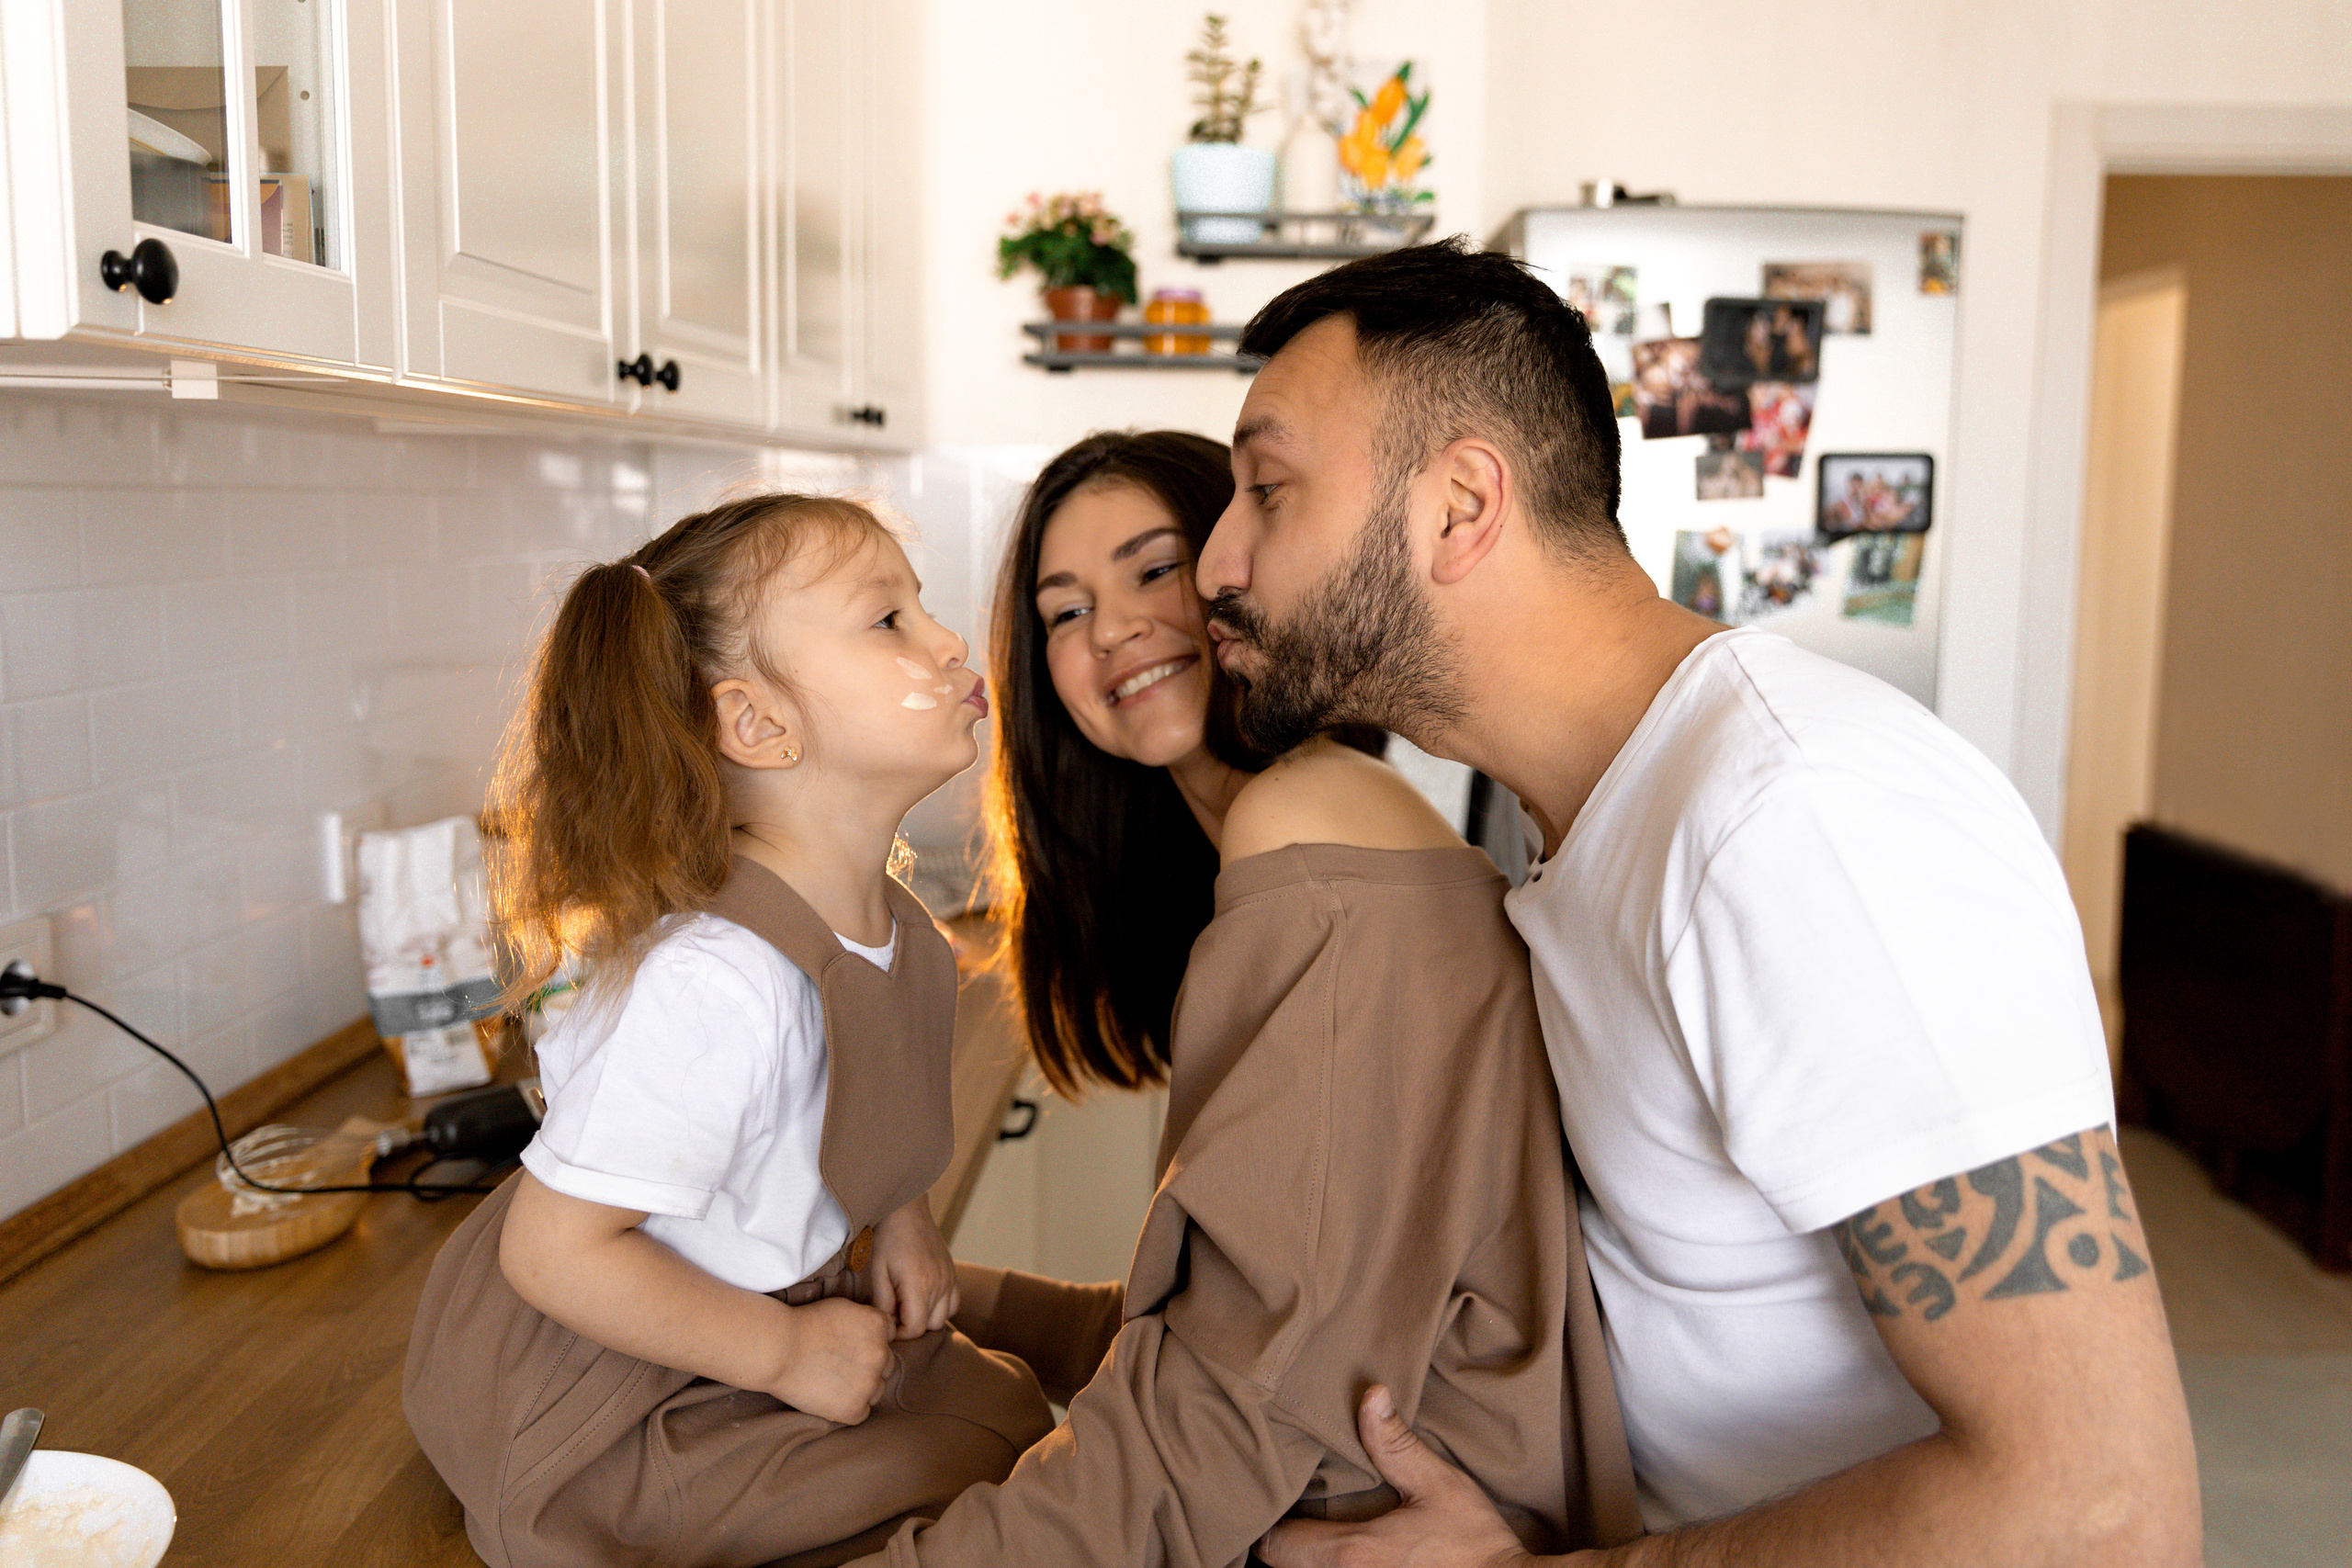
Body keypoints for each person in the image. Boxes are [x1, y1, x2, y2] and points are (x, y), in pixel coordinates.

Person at [1191, 241, 2201, 1567]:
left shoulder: (1797, 819)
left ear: (1459, 506)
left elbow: (2100, 1514)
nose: (1216, 560)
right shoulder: (1589, 818)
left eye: (1266, 490)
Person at [842, 430, 1639, 1565]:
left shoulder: (1305, 831)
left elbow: (1224, 1410)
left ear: (1239, 570)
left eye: (1153, 568)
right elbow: (1233, 1331)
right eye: (1065, 612)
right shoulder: (1295, 835)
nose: (1112, 628)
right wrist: (939, 1293)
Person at [401, 493, 1056, 1568]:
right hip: (614, 1387)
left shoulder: (894, 927)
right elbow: (555, 1252)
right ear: (755, 723)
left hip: (750, 1324)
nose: (946, 643)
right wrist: (786, 1353)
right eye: (887, 619)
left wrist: (902, 1221)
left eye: (922, 607)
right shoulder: (718, 985)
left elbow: (862, 1098)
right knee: (985, 1453)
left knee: (1006, 1413)